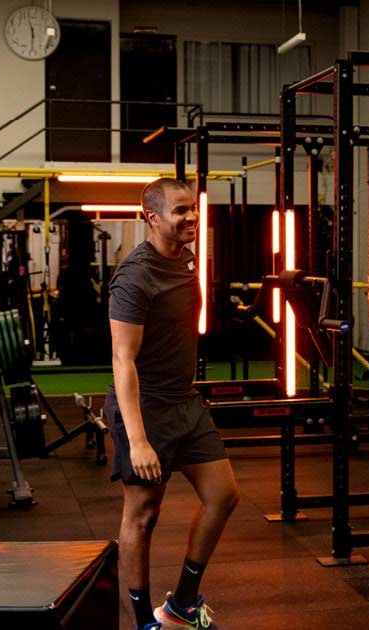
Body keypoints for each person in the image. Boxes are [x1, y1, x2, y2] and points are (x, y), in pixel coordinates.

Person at [107, 177, 239, 630]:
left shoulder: (185, 258)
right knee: (142, 515)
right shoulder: (134, 276)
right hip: (146, 408)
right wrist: (138, 440)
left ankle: (182, 604)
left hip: (185, 401)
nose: (192, 217)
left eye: (193, 209)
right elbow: (122, 361)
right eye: (180, 211)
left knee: (223, 497)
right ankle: (143, 622)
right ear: (152, 217)